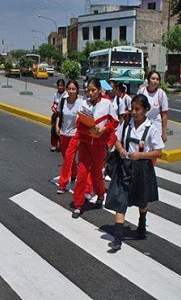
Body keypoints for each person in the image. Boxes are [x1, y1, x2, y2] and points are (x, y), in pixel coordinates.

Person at [105, 94, 164, 251]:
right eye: (132, 108)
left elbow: (158, 152)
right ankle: (117, 238)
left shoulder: (152, 128)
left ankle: (142, 222)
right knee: (121, 201)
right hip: (125, 167)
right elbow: (116, 139)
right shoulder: (125, 124)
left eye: (138, 109)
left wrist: (141, 155)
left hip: (142, 169)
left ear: (145, 110)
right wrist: (121, 149)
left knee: (142, 201)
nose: (134, 112)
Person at [71, 78, 119, 218]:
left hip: (99, 145)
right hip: (85, 144)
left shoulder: (107, 104)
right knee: (82, 174)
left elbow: (114, 122)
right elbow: (79, 124)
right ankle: (78, 204)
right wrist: (88, 132)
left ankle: (100, 194)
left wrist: (104, 129)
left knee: (97, 173)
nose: (90, 93)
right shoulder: (83, 103)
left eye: (93, 90)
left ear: (99, 90)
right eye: (88, 90)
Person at [55, 80, 83, 193]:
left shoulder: (80, 103)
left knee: (68, 158)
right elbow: (59, 115)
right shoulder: (63, 101)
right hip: (63, 133)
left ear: (77, 91)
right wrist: (57, 126)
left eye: (73, 89)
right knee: (65, 157)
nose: (71, 91)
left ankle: (62, 184)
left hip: (74, 135)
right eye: (69, 89)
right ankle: (74, 173)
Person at [137, 71, 169, 143]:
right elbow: (135, 110)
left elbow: (164, 115)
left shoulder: (161, 94)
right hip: (142, 127)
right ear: (148, 80)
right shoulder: (141, 91)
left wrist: (164, 133)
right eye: (153, 78)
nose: (155, 81)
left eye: (157, 79)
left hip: (156, 128)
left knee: (155, 151)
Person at [50, 79, 66, 152]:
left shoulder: (66, 95)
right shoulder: (56, 94)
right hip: (56, 114)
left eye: (61, 86)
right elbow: (54, 103)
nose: (60, 87)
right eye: (58, 86)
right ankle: (54, 145)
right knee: (53, 130)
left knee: (61, 130)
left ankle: (61, 145)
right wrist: (53, 107)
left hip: (62, 115)